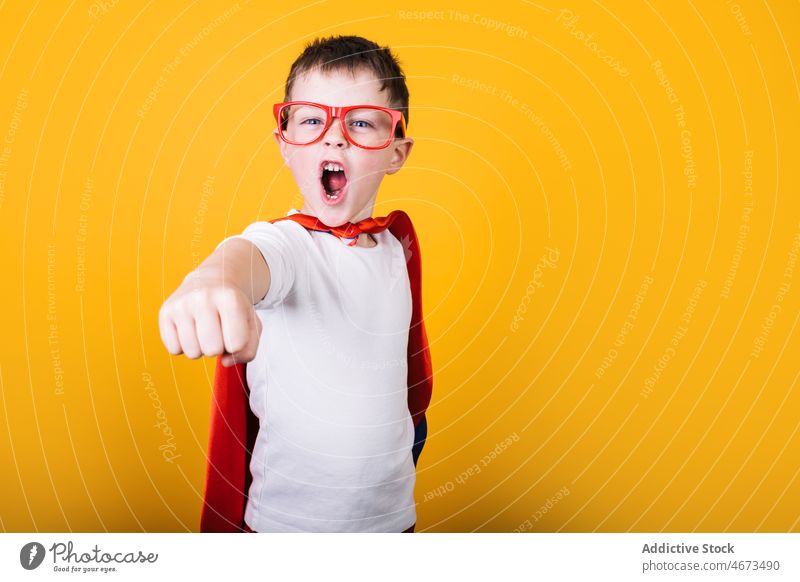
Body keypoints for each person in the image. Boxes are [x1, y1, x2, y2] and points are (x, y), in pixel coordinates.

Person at [158, 35, 433, 533]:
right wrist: (213, 280)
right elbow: (248, 257)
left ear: (396, 151)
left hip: (393, 524)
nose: (334, 137)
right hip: (289, 532)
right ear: (284, 144)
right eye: (311, 120)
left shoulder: (396, 248)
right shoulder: (289, 247)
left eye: (362, 122)